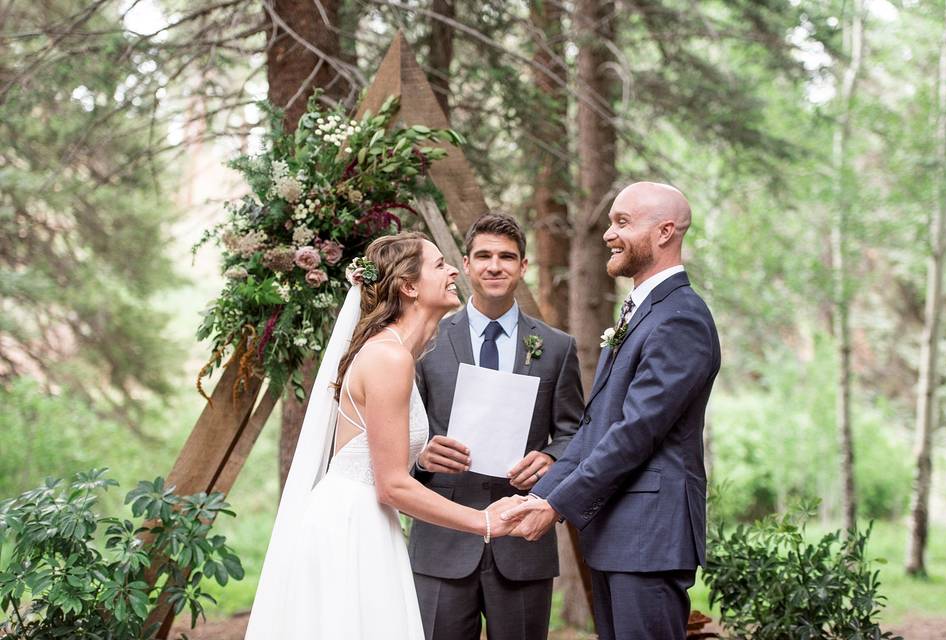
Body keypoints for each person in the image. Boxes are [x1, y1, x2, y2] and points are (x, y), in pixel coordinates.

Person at [245, 232, 523, 640]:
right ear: (409, 286)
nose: (452, 272)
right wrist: (484, 521)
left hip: (366, 519)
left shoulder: (396, 353)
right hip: (351, 527)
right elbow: (391, 486)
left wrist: (422, 459)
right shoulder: (389, 357)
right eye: (440, 265)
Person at [503, 182, 722, 640]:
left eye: (622, 222)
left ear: (664, 232)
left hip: (649, 537)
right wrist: (541, 494)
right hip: (617, 535)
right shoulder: (639, 313)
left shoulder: (681, 316)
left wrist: (556, 506)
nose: (607, 234)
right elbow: (596, 426)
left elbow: (634, 434)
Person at [409, 213, 584, 640]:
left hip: (523, 539)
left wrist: (550, 457)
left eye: (507, 257)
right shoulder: (425, 343)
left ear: (523, 267)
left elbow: (575, 433)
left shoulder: (556, 348)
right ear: (465, 264)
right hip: (442, 539)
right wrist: (421, 455)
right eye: (483, 255)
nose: (494, 265)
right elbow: (398, 432)